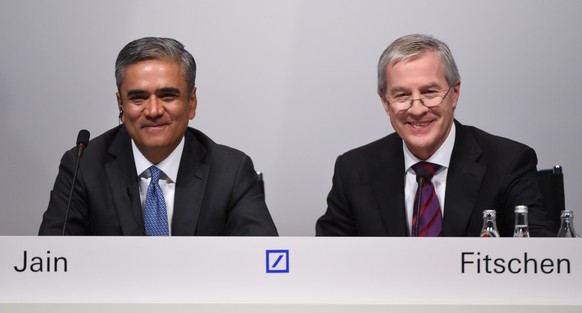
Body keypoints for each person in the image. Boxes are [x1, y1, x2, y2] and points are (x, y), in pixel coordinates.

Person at [316, 34, 554, 237]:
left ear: (455, 93)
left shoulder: (508, 162)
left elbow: (538, 258)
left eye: (430, 92)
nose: (417, 109)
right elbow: (328, 261)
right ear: (384, 102)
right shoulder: (354, 170)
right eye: (401, 95)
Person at [39, 37, 278, 236]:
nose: (153, 111)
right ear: (121, 105)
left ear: (191, 102)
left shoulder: (230, 170)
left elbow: (261, 260)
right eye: (138, 98)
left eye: (167, 96)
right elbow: (53, 260)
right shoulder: (84, 165)